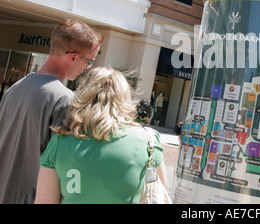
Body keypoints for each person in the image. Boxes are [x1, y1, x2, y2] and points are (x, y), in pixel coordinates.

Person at [0, 19, 102, 204]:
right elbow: (65, 170)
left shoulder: (14, 88)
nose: (88, 67)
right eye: (89, 61)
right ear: (73, 57)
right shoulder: (64, 100)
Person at [34, 67, 168, 204]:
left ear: (82, 95)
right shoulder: (149, 141)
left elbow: (44, 200)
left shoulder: (60, 142)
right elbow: (160, 193)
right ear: (125, 98)